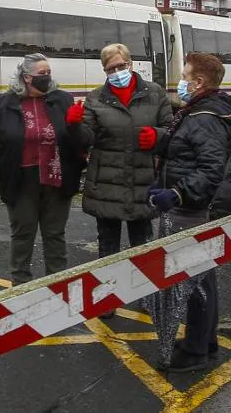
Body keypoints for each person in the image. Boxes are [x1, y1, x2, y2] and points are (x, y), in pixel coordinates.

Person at [148, 52, 231, 372]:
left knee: (195, 282)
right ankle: (204, 341)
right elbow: (189, 153)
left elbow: (210, 169)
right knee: (201, 278)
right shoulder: (202, 111)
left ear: (199, 82)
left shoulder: (205, 117)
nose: (181, 81)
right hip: (197, 205)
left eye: (185, 74)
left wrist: (176, 193)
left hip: (197, 209)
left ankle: (196, 352)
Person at [71, 43, 171, 318]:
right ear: (104, 70)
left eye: (120, 66)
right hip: (107, 183)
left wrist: (158, 136)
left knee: (143, 242)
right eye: (110, 68)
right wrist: (75, 126)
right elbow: (86, 140)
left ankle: (146, 296)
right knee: (108, 244)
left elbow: (171, 129)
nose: (117, 72)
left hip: (142, 179)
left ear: (130, 63)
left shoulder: (155, 93)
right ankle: (106, 298)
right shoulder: (96, 98)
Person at [0, 54, 86, 285]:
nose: (47, 77)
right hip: (20, 180)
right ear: (27, 78)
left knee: (55, 235)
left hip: (57, 178)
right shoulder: (3, 105)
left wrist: (78, 127)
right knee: (22, 235)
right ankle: (21, 286)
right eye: (42, 74)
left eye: (48, 73)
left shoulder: (63, 100)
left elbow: (79, 139)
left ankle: (58, 283)